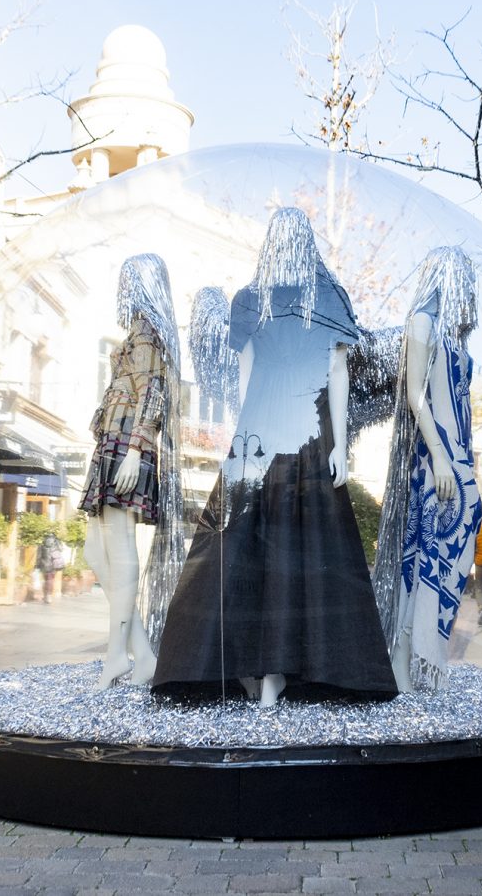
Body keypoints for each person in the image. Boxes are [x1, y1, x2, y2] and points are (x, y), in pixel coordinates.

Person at [153, 208, 397, 707]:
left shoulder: (275, 299)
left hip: (277, 432)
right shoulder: (302, 298)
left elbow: (324, 375)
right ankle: (277, 670)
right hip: (296, 433)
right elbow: (331, 377)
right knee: (286, 547)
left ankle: (269, 670)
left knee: (257, 546)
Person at [373, 247, 482, 692]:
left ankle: (426, 656)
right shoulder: (422, 322)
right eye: (463, 278)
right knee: (420, 558)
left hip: (460, 459)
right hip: (435, 459)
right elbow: (416, 394)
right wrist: (438, 454)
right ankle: (402, 658)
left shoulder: (456, 336)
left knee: (456, 556)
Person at [81, 253, 184, 691]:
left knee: (118, 550)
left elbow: (154, 395)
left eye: (129, 282)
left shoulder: (147, 332)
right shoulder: (137, 331)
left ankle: (114, 655)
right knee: (95, 553)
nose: (123, 290)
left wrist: (134, 449)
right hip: (114, 442)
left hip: (127, 444)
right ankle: (140, 654)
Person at [35, 530, 67, 603]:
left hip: (44, 563)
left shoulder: (42, 542)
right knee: (51, 580)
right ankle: (48, 596)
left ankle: (45, 595)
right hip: (54, 564)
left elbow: (39, 555)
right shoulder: (56, 541)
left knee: (46, 580)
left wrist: (37, 565)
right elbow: (61, 549)